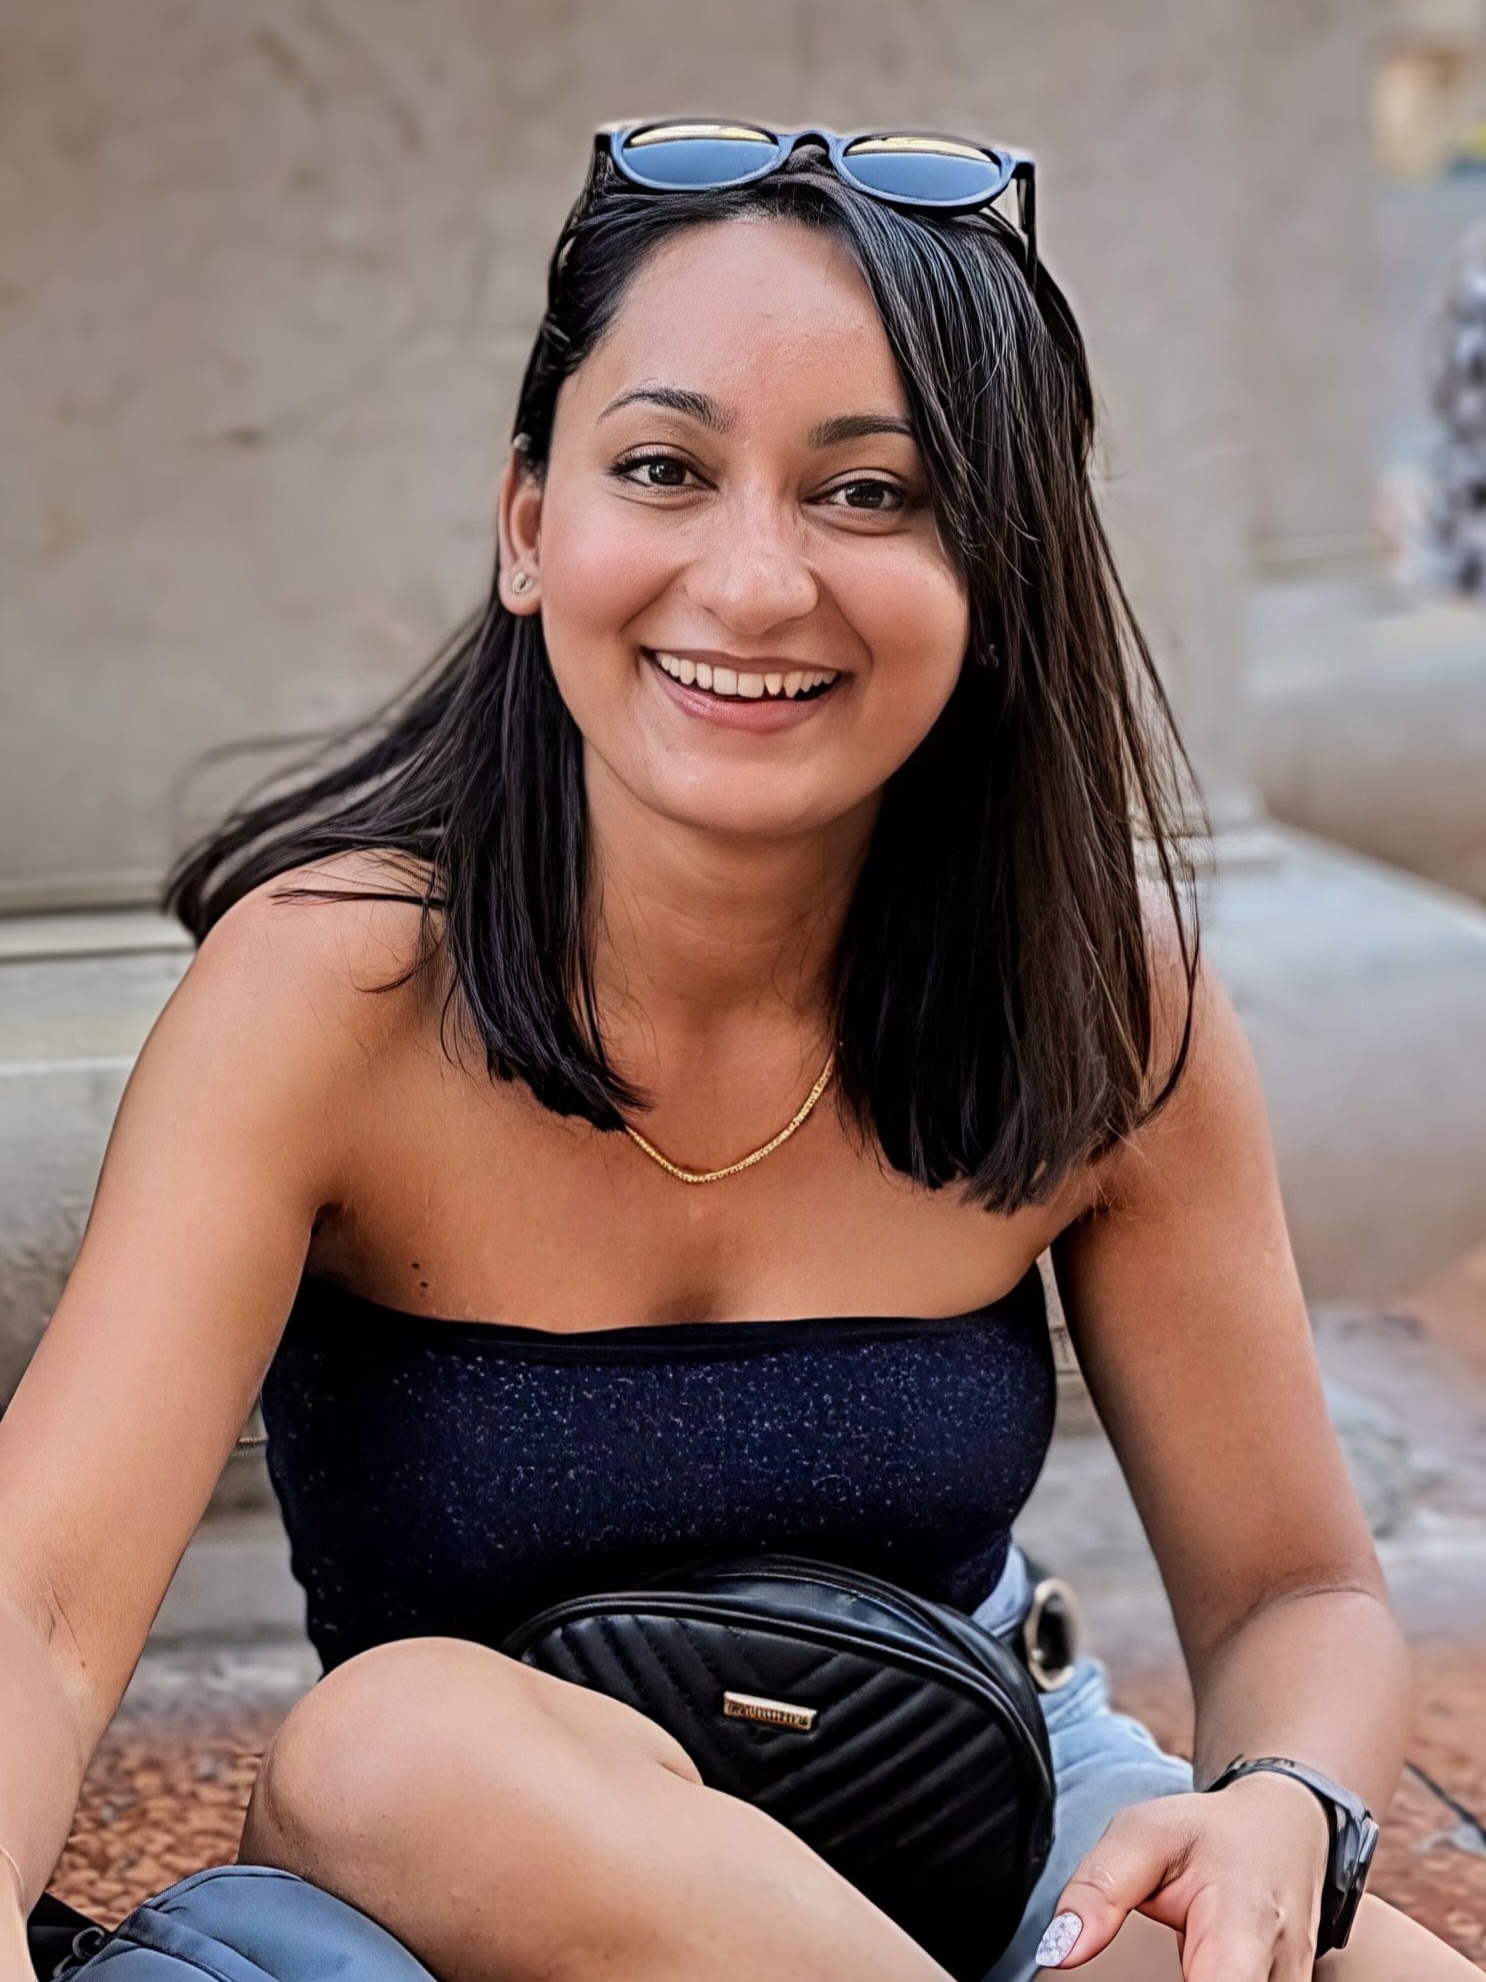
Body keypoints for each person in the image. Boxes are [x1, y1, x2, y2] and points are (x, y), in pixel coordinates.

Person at [0, 122, 1474, 1982]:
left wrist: (1280, 1802)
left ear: (998, 572)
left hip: (995, 1823)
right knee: (392, 1738)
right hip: (498, 1879)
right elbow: (40, 1607)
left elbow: (1293, 1590)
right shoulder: (332, 989)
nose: (756, 582)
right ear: (529, 523)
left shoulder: (1105, 1003)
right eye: (662, 469)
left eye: (868, 493)